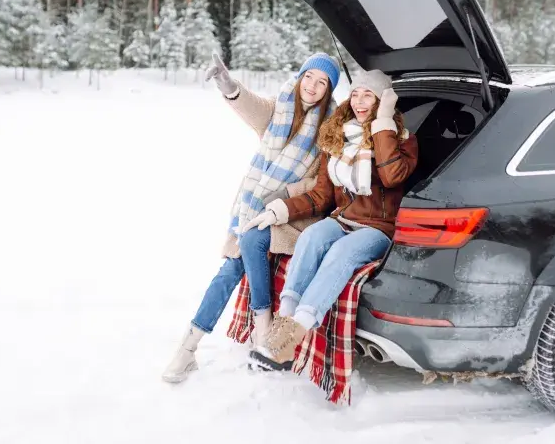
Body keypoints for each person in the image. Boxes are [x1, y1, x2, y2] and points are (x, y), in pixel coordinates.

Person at [161, 52, 341, 384]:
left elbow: (320, 184)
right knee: (230, 268)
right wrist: (229, 86)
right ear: (300, 77)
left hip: (293, 217)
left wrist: (285, 194)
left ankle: (258, 334)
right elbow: (250, 105)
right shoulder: (278, 111)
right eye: (309, 77)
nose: (313, 87)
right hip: (253, 209)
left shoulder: (328, 131)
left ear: (329, 90)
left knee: (248, 244)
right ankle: (188, 349)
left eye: (322, 82)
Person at [240, 69, 418, 367]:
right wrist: (279, 210)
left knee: (341, 252)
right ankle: (281, 327)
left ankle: (294, 337)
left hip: (379, 228)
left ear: (382, 102)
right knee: (311, 236)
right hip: (344, 219)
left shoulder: (401, 139)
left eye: (370, 96)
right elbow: (322, 195)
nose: (360, 102)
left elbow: (391, 177)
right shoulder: (339, 136)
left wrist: (383, 123)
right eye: (356, 94)